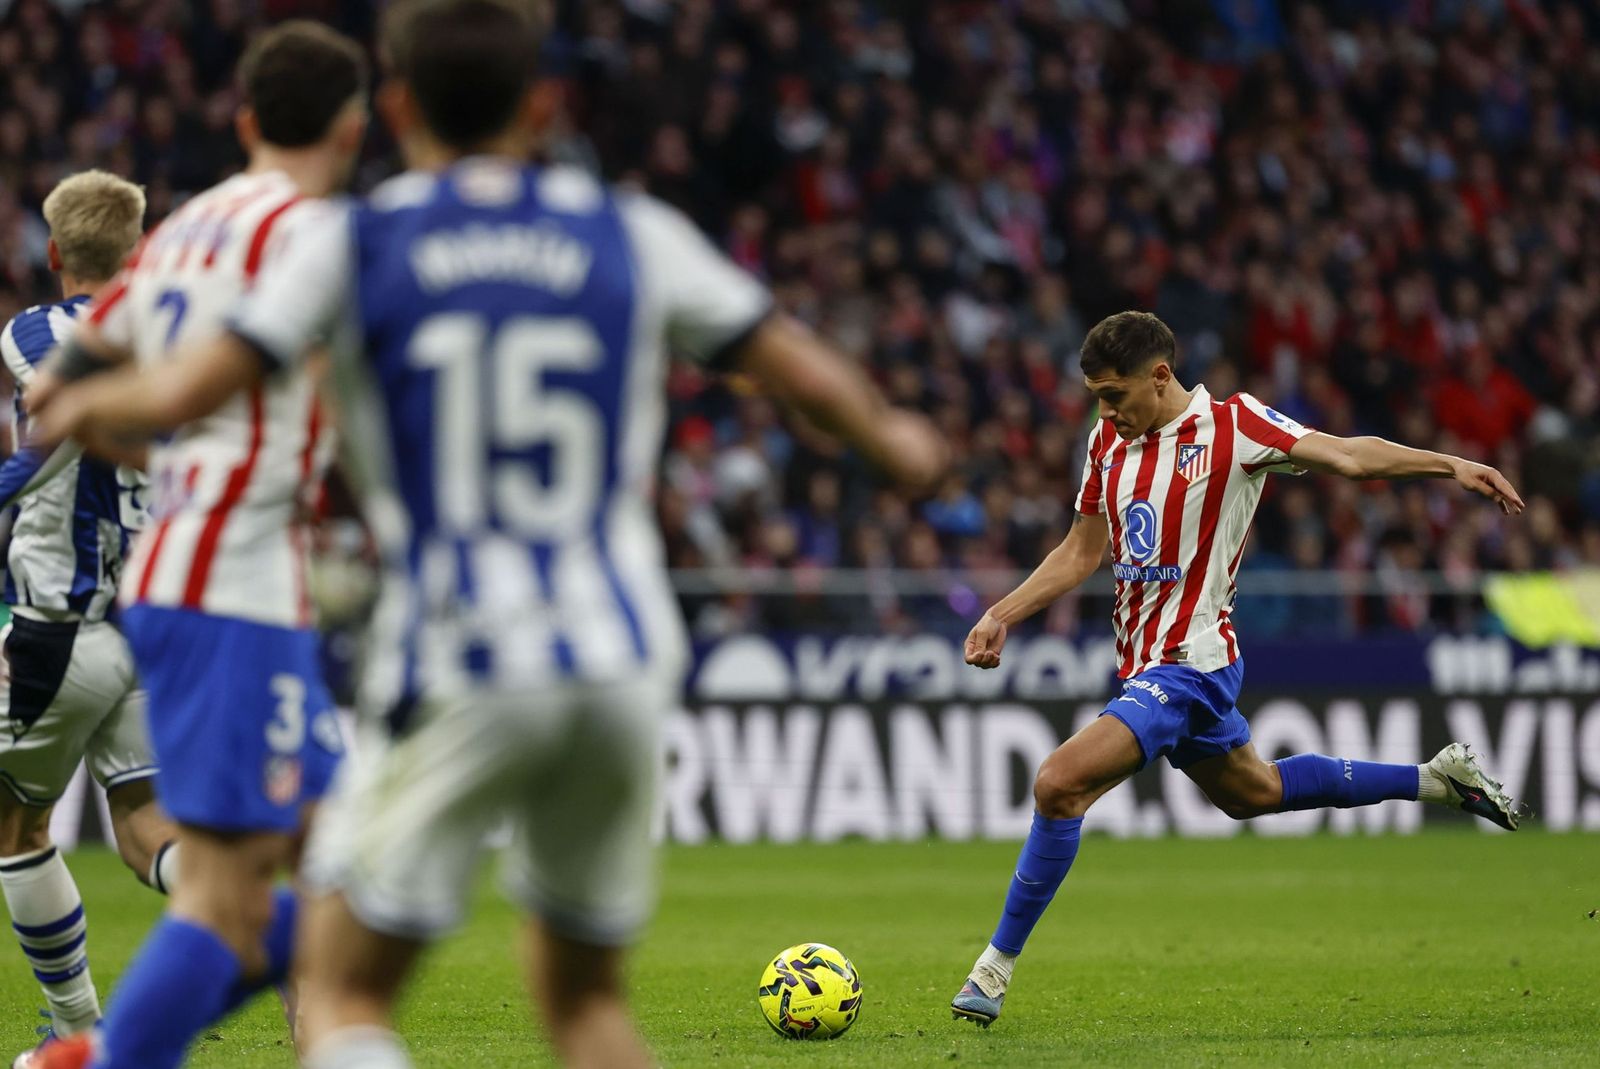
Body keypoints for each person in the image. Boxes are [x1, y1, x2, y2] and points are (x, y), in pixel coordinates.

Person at [28, 2, 946, 1066]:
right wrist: (898, 443)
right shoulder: (629, 228)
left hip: (453, 651)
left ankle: (110, 1051)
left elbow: (193, 380)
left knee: (341, 981)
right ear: (545, 105)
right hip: (622, 654)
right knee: (587, 1005)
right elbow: (802, 369)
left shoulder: (357, 240)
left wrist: (90, 410)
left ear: (401, 106)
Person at [948, 310, 1526, 1028]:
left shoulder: (1236, 426)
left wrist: (1448, 463)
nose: (1104, 411)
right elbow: (1079, 550)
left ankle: (992, 971)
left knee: (1058, 783)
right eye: (1097, 395)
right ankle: (1440, 779)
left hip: (1194, 662)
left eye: (1114, 394)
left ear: (1160, 376)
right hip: (1144, 667)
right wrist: (1002, 611)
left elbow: (1347, 454)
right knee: (1254, 791)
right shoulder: (1106, 440)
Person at [21, 23, 369, 1069]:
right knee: (250, 890)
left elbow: (51, 393)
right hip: (230, 587)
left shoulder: (189, 231)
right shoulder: (314, 234)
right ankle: (92, 1057)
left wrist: (166, 455)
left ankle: (93, 1054)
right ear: (354, 127)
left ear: (248, 119)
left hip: (191, 583)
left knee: (322, 865)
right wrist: (208, 452)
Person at [0, 171, 179, 1069]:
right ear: (139, 246)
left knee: (17, 827)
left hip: (59, 626)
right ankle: (239, 902)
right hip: (149, 628)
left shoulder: (36, 330)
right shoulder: (182, 340)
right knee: (146, 822)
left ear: (57, 252)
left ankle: (79, 1034)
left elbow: (52, 427)